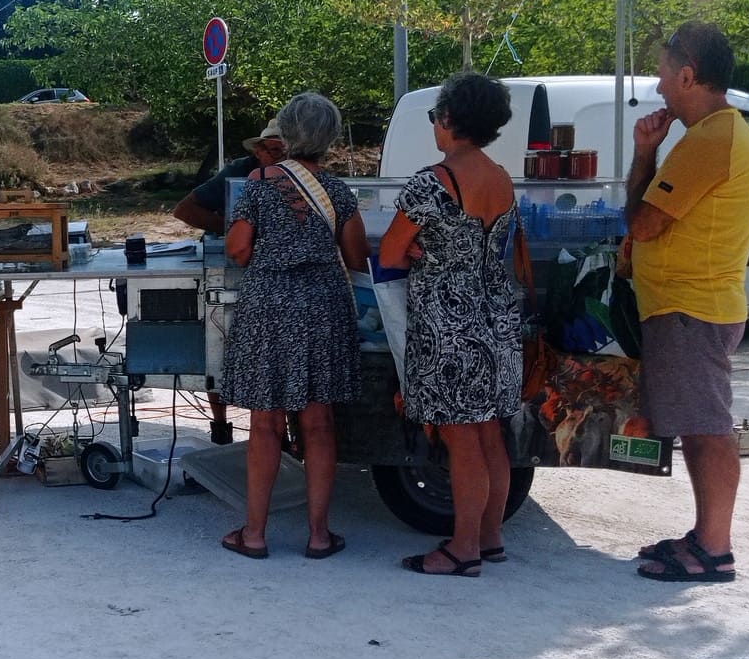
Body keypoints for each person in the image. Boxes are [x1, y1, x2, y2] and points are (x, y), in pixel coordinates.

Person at [625, 22, 749, 583]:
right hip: (689, 304)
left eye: (662, 75)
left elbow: (643, 222)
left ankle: (715, 548)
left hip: (693, 306)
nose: (658, 88)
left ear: (687, 75)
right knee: (698, 427)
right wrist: (648, 152)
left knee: (707, 430)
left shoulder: (711, 139)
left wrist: (643, 158)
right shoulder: (710, 136)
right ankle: (705, 535)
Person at [379, 72, 524, 579]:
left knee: (460, 439)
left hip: (449, 325)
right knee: (490, 436)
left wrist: (420, 250)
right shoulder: (503, 178)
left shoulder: (431, 183)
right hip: (498, 321)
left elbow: (390, 252)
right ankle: (490, 537)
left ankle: (462, 549)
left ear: (447, 120)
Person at [218, 94, 368, 561]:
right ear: (330, 138)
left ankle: (255, 534)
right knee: (319, 424)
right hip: (324, 305)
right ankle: (319, 535)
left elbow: (238, 250)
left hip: (270, 305)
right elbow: (357, 256)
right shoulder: (338, 190)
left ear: (285, 133)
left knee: (266, 422)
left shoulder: (260, 183)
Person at [174, 126, 292, 443]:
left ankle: (285, 433)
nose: (279, 157)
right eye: (272, 150)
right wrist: (231, 225)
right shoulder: (239, 173)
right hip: (232, 266)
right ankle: (221, 427)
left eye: (285, 150)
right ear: (258, 151)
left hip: (278, 271)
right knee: (221, 344)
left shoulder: (301, 173)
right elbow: (184, 209)